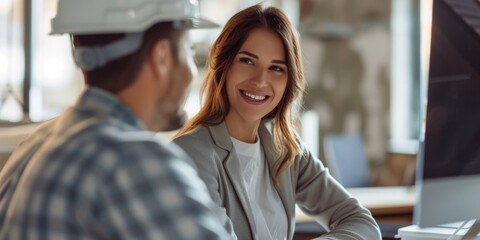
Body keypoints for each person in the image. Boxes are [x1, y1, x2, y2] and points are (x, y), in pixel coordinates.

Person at [0, 0, 229, 239]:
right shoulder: (133, 160)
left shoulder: (32, 148)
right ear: (162, 57)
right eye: (188, 52)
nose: (191, 71)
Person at [173, 4, 381, 240]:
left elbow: (361, 222)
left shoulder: (286, 150)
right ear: (224, 65)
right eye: (247, 61)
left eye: (276, 68)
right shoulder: (189, 154)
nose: (260, 80)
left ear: (288, 82)